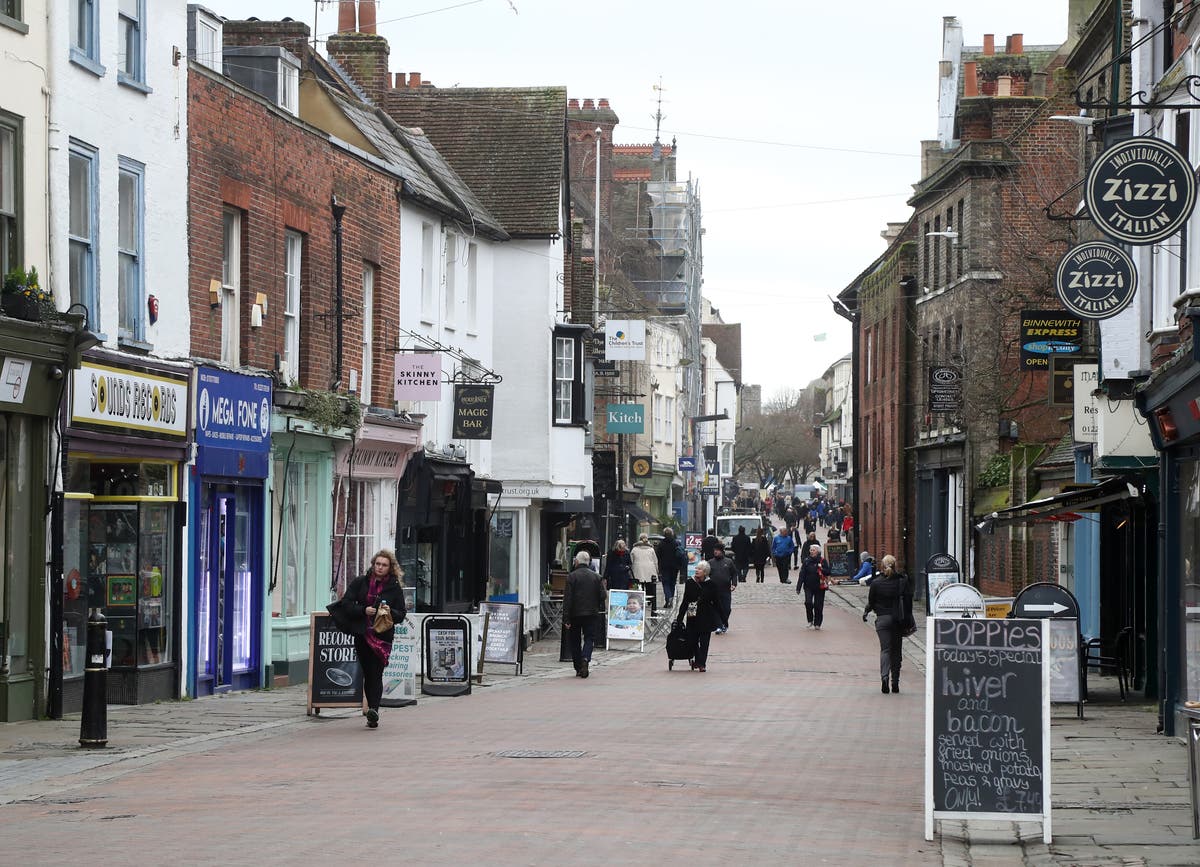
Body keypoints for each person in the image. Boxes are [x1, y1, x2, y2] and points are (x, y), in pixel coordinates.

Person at [337, 549, 407, 728]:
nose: (380, 567)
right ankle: (372, 709)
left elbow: (401, 614)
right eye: (378, 564)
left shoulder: (394, 587)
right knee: (368, 672)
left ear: (390, 567)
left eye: (384, 565)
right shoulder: (361, 582)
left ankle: (373, 710)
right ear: (373, 564)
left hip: (382, 638)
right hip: (363, 634)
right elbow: (346, 603)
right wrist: (363, 610)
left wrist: (389, 612)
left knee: (376, 673)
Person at [863, 554, 914, 694]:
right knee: (896, 651)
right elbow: (909, 602)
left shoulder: (876, 583)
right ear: (895, 565)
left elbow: (871, 601)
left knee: (885, 650)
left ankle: (884, 678)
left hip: (882, 620)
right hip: (898, 620)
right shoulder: (902, 581)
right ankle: (895, 683)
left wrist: (866, 612)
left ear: (882, 566)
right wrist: (908, 619)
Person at [563, 550, 605, 678]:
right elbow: (603, 595)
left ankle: (578, 667)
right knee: (589, 638)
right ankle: (586, 658)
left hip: (575, 614)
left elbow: (568, 598)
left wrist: (566, 618)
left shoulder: (571, 576)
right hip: (591, 613)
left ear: (576, 562)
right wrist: (596, 604)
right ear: (589, 562)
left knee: (575, 640)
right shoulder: (597, 577)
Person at [675, 560, 719, 672]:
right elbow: (685, 600)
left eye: (699, 569)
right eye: (697, 568)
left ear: (705, 572)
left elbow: (716, 602)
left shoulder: (711, 584)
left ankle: (702, 664)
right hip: (692, 616)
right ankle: (698, 660)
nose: (696, 570)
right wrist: (680, 617)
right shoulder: (690, 583)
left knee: (704, 643)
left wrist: (721, 619)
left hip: (706, 617)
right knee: (692, 640)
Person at [797, 543, 830, 629]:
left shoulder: (822, 561)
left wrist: (821, 568)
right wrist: (798, 587)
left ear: (818, 552)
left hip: (820, 586)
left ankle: (817, 623)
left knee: (818, 605)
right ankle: (810, 620)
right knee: (808, 602)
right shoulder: (807, 561)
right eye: (811, 550)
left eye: (813, 550)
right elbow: (802, 574)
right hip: (808, 586)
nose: (811, 552)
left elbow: (828, 572)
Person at [706, 542, 736, 634]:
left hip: (726, 589)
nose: (716, 552)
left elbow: (734, 574)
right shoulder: (710, 563)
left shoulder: (728, 562)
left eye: (718, 550)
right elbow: (706, 575)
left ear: (722, 551)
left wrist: (734, 584)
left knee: (727, 608)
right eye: (715, 550)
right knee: (715, 608)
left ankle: (724, 623)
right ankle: (719, 625)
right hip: (714, 590)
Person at [655, 528, 683, 607]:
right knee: (672, 583)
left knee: (666, 583)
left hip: (664, 567)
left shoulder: (661, 544)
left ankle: (668, 599)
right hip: (675, 567)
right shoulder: (676, 543)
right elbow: (680, 555)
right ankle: (670, 600)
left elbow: (658, 556)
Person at [630, 533, 659, 599]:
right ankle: (650, 600)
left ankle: (640, 600)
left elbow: (631, 560)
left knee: (639, 586)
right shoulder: (651, 549)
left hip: (637, 570)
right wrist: (657, 571)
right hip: (650, 570)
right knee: (650, 586)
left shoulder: (634, 549)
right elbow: (655, 561)